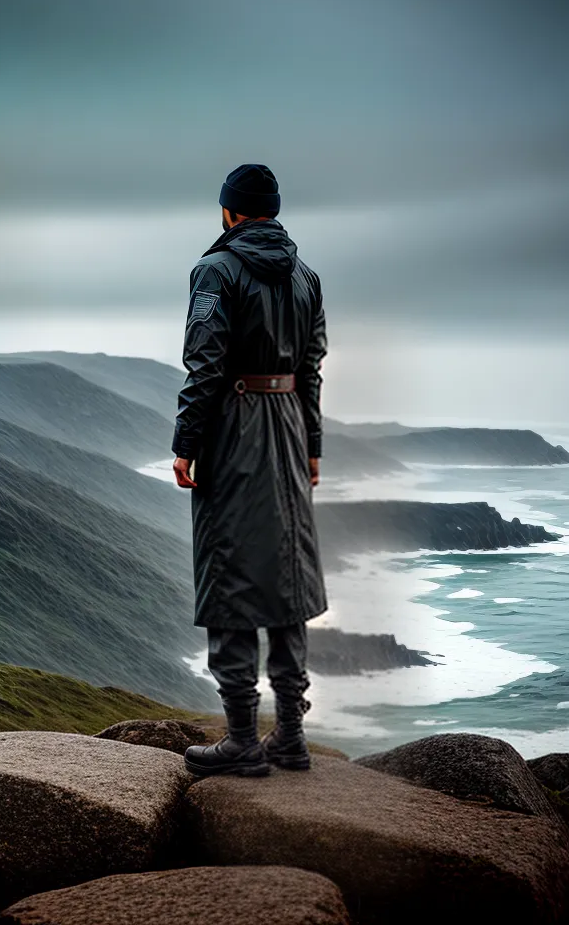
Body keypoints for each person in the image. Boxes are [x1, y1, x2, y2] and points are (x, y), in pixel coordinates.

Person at [172, 163, 327, 777]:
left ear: (230, 210)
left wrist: (186, 442)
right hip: (289, 425)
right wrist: (312, 445)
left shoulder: (216, 270)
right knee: (287, 575)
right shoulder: (306, 276)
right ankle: (290, 735)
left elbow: (205, 364)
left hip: (235, 428)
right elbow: (311, 367)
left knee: (229, 570)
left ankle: (242, 739)